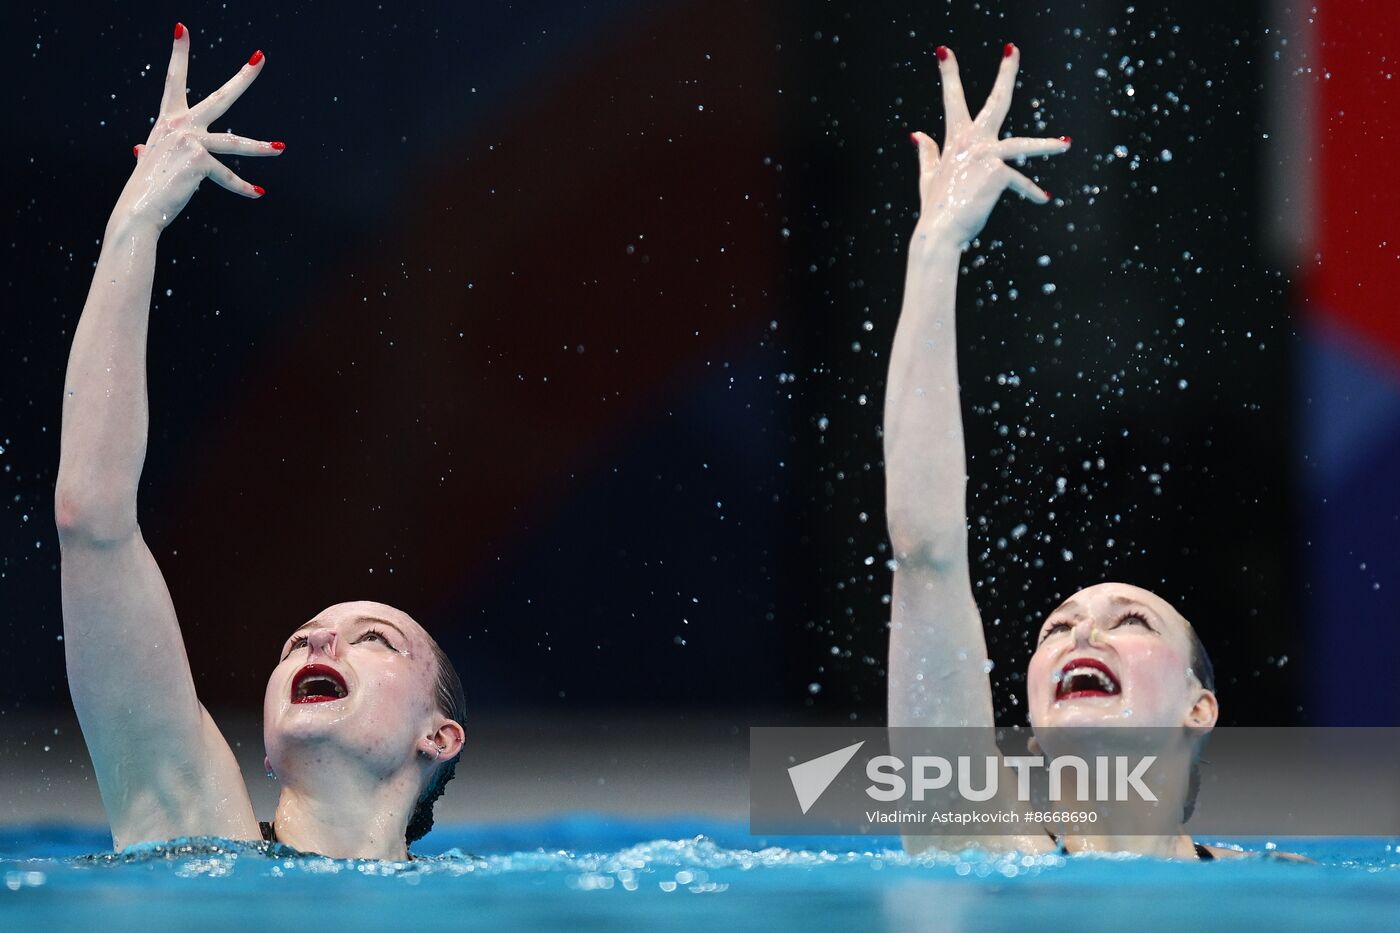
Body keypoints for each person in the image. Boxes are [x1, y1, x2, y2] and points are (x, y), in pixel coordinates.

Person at [54, 23, 465, 861]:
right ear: (270, 750)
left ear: (440, 735)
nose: (318, 642)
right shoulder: (191, 825)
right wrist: (135, 219)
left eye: (373, 640)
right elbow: (91, 515)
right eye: (299, 642)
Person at [882, 43, 1243, 860]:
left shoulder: (1295, 889)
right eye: (1057, 627)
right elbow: (925, 554)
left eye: (1133, 620)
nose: (1085, 636)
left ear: (1199, 703)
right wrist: (935, 246)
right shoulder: (973, 846)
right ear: (1034, 711)